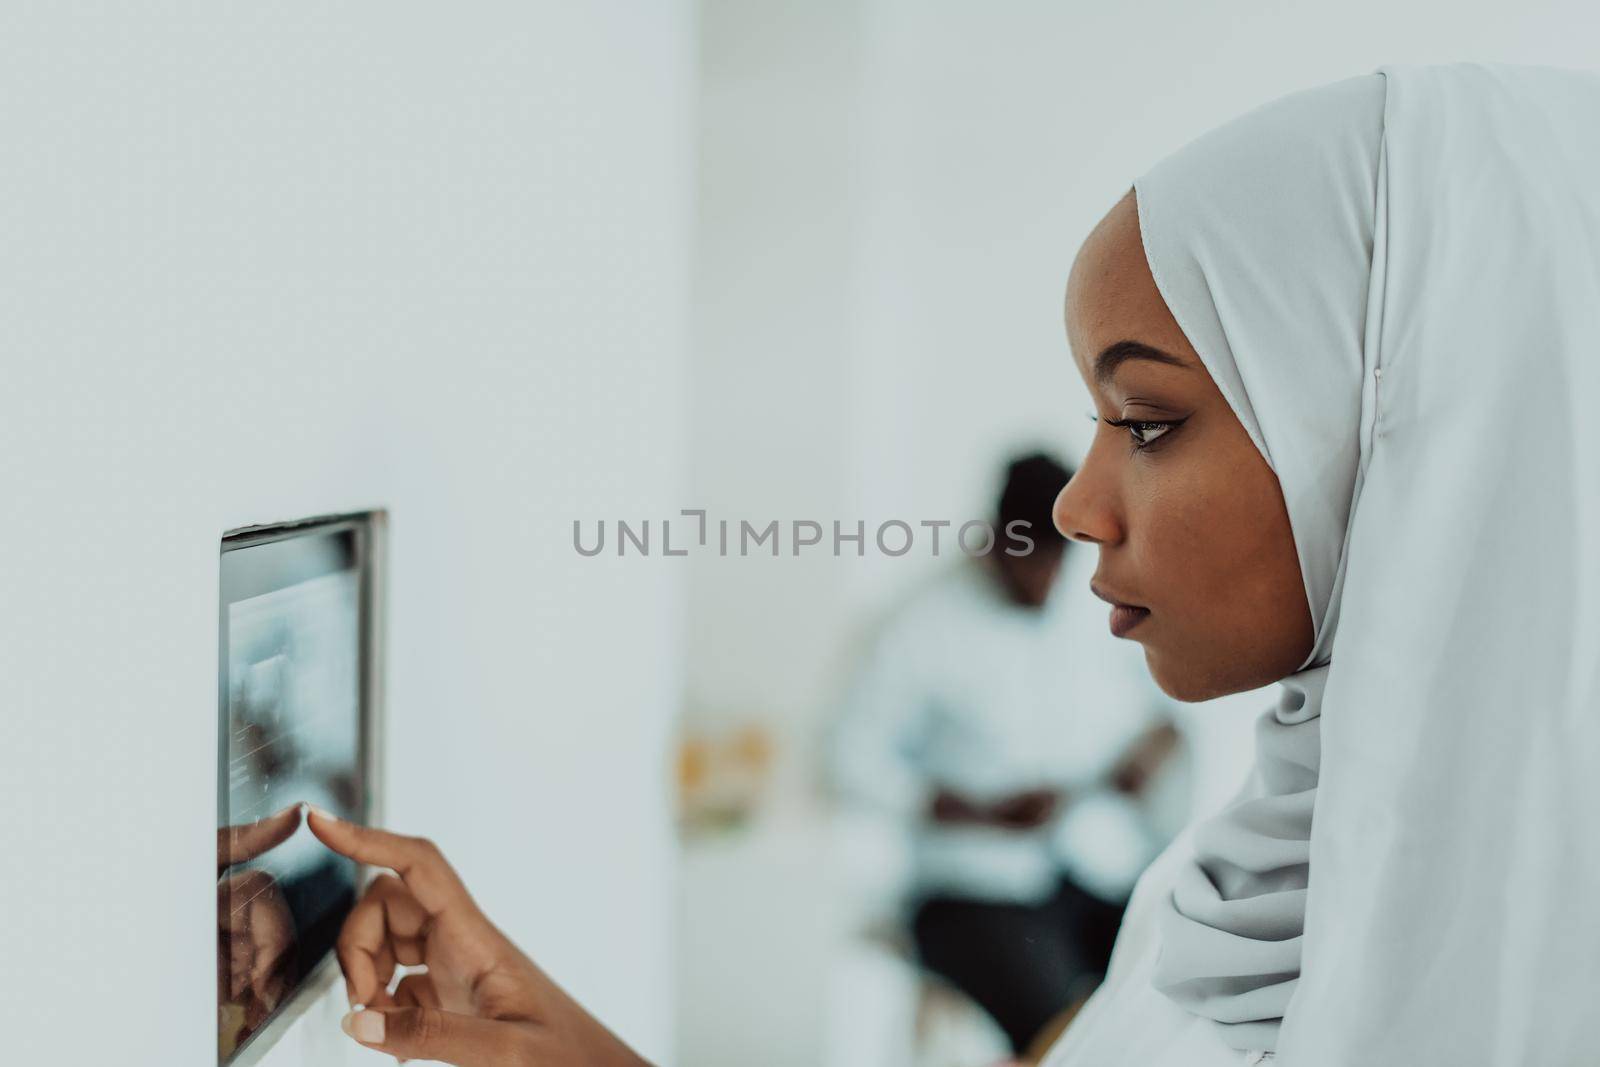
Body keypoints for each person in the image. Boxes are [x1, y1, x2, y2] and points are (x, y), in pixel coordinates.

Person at [306, 63, 1600, 1066]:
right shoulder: (1249, 882)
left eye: (1149, 424)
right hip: (971, 887)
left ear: (1419, 435)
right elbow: (856, 762)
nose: (1092, 510)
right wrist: (552, 1034)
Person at [828, 452, 1178, 1055]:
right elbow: (847, 761)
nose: (1045, 578)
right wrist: (978, 813)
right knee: (1069, 1033)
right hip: (968, 893)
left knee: (1170, 983)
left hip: (1084, 872)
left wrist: (1145, 757)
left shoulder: (1089, 608)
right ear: (995, 541)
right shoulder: (921, 623)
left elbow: (1158, 718)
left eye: (1058, 558)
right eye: (1031, 560)